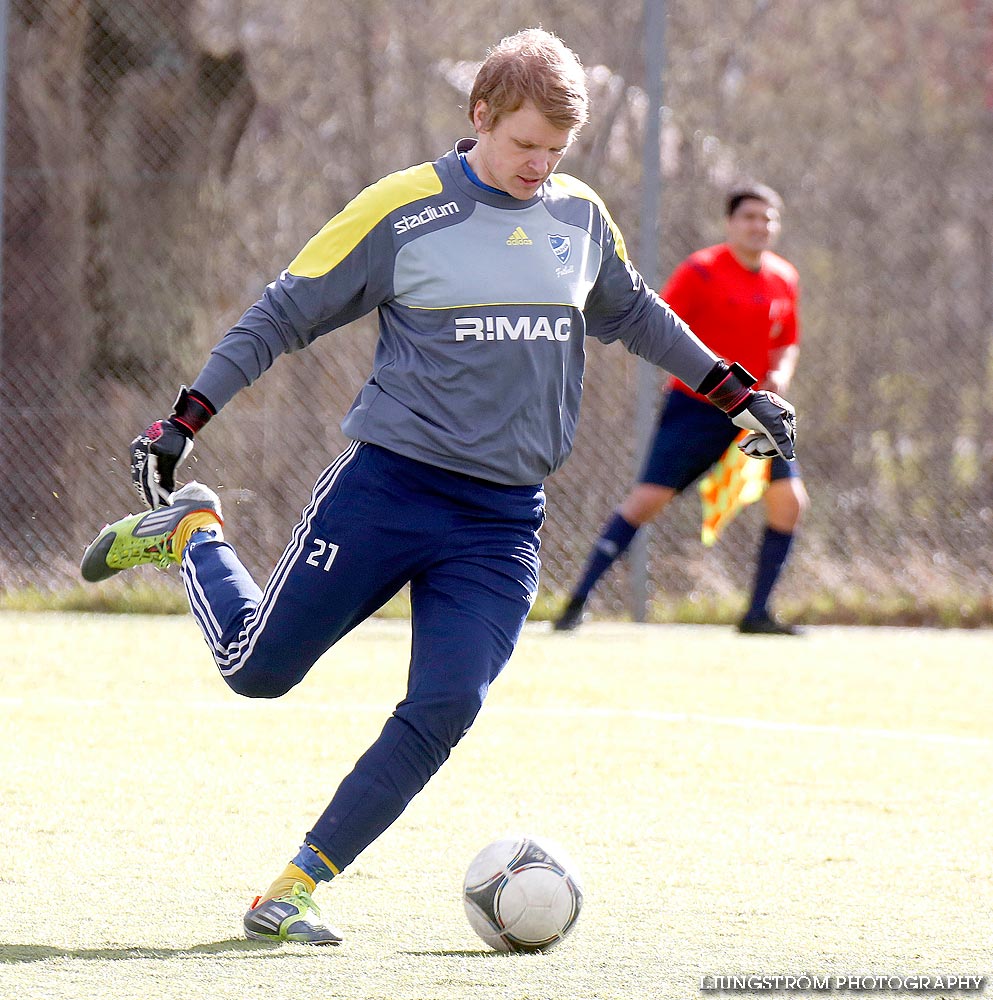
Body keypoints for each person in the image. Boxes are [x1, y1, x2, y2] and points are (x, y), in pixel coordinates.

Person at [80, 29, 796, 945]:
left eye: (555, 151)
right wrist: (183, 418)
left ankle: (293, 888)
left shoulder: (578, 216)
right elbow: (281, 312)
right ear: (479, 117)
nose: (540, 166)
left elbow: (633, 313)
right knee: (258, 673)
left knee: (449, 702)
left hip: (501, 521)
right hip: (387, 491)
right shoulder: (403, 209)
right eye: (523, 145)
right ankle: (192, 533)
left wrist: (733, 390)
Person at [553, 183, 807, 636]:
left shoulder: (783, 277)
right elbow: (662, 328)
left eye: (768, 219)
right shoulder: (701, 271)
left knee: (790, 502)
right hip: (698, 407)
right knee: (647, 501)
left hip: (756, 412)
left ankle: (757, 613)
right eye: (750, 217)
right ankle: (576, 602)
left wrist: (781, 374)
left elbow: (787, 340)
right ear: (731, 223)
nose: (759, 226)